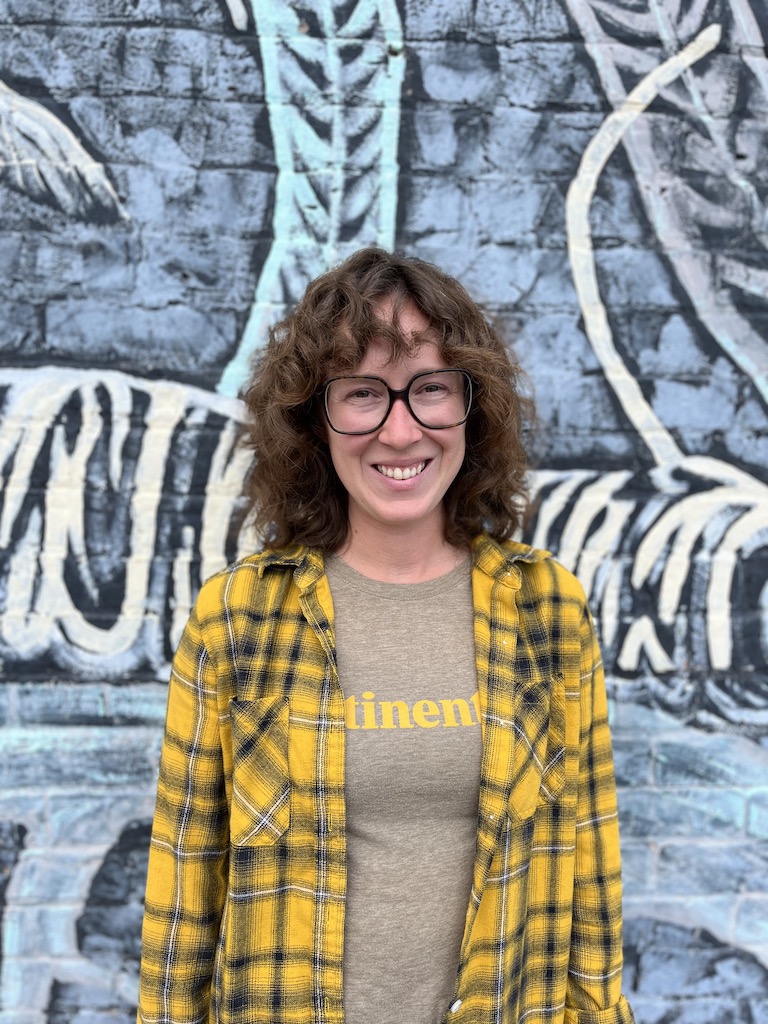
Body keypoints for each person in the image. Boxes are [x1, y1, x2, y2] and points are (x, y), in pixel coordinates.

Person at [138, 247, 635, 1024]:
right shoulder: (236, 618)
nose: (400, 431)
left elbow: (591, 880)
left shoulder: (548, 611)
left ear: (472, 406)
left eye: (430, 389)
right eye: (363, 394)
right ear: (314, 419)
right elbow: (184, 893)